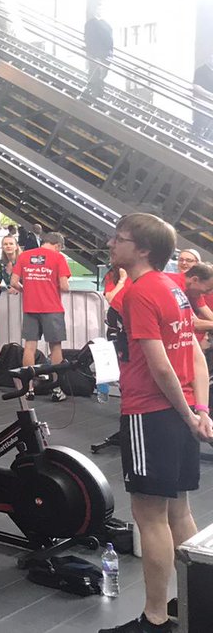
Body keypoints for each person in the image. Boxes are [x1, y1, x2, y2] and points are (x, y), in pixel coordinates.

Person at [100, 214, 211, 633]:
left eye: (120, 239)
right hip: (179, 412)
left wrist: (188, 412)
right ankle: (192, 601)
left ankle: (155, 618)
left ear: (143, 249)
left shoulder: (141, 292)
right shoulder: (175, 288)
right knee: (179, 509)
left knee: (150, 517)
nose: (112, 244)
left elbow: (161, 365)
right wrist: (200, 410)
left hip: (151, 412)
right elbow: (196, 355)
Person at [12, 232, 71, 400]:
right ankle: (57, 389)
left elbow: (13, 282)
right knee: (55, 348)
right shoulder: (58, 258)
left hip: (30, 308)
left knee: (29, 346)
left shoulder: (24, 256)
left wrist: (28, 290)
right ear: (58, 246)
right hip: (52, 308)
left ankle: (28, 389)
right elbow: (65, 286)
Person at [83, 12, 115, 99]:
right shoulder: (105, 26)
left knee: (94, 72)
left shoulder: (90, 25)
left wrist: (87, 49)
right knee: (100, 75)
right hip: (107, 54)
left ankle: (92, 93)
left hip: (97, 53)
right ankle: (98, 93)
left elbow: (89, 40)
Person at [193, 55, 213, 140]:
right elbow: (196, 87)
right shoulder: (201, 70)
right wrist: (210, 96)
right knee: (201, 125)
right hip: (203, 105)